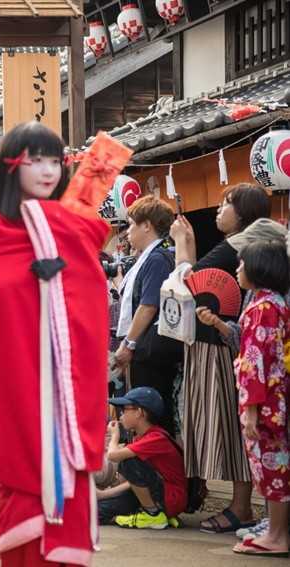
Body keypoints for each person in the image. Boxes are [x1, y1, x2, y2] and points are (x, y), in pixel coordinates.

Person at [0, 122, 109, 566]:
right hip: (20, 370)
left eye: (54, 160)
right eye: (35, 161)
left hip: (69, 372)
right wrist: (37, 275)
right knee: (24, 461)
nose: (47, 171)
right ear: (12, 167)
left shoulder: (74, 224)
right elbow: (2, 290)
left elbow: (90, 288)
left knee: (66, 461)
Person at [170, 183, 270, 534]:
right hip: (220, 344)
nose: (219, 209)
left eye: (226, 203)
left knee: (232, 426)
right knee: (228, 426)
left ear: (242, 212)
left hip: (224, 348)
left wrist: (184, 243)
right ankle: (239, 505)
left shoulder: (242, 243)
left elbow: (191, 282)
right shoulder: (245, 243)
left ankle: (242, 507)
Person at [231, 240, 290, 557]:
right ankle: (275, 529)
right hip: (276, 397)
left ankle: (278, 535)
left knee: (271, 467)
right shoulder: (276, 304)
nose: (238, 269)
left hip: (264, 402)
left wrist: (252, 411)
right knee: (275, 466)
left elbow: (256, 363)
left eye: (242, 264)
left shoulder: (261, 309)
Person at [113, 196, 178, 434]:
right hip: (149, 346)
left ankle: (158, 468)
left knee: (149, 415)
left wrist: (128, 343)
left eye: (131, 224)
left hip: (150, 348)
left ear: (147, 225)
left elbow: (149, 305)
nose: (128, 231)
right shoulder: (152, 256)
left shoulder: (157, 258)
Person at [98, 387, 187, 529]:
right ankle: (157, 514)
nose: (120, 416)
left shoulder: (156, 437)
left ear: (139, 412)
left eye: (125, 410)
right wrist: (103, 494)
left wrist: (115, 436)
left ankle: (152, 515)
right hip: (156, 495)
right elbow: (136, 482)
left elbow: (113, 456)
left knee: (128, 461)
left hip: (171, 498)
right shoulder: (140, 437)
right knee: (96, 512)